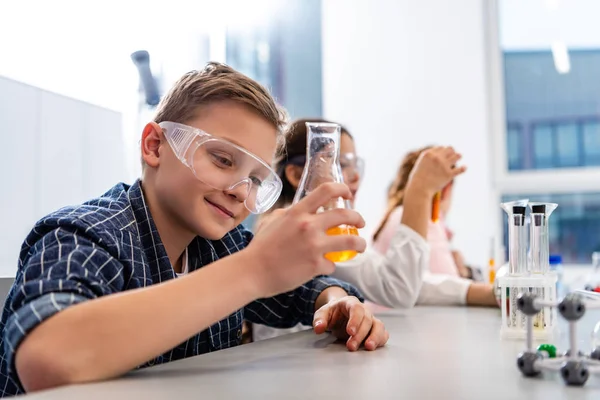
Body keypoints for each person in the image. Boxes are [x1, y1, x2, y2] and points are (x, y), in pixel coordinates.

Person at [0, 63, 389, 397]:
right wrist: (254, 270)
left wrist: (337, 301)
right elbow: (47, 358)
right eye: (222, 160)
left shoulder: (220, 245)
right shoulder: (85, 234)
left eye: (257, 180)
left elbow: (299, 293)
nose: (240, 191)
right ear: (154, 146)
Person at [250, 119, 482, 342]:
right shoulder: (299, 233)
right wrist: (419, 190)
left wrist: (481, 293)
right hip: (292, 364)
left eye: (354, 164)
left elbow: (399, 281)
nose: (355, 176)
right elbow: (398, 288)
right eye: (339, 164)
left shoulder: (321, 229)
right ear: (297, 174)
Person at [372, 146, 497, 306]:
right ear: (444, 189)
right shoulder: (424, 220)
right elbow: (442, 285)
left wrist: (464, 271)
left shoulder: (396, 215)